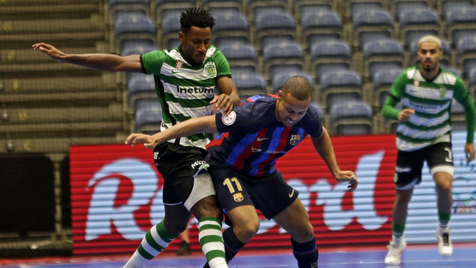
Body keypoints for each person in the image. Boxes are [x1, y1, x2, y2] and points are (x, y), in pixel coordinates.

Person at [33, 7, 241, 268]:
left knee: (175, 223)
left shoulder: (215, 59)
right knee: (209, 209)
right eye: (196, 42)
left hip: (204, 149)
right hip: (174, 149)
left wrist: (228, 98)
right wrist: (67, 57)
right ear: (181, 37)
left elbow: (233, 94)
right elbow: (117, 63)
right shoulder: (165, 60)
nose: (202, 47)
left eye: (206, 42)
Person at [125, 76, 359, 268]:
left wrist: (335, 169)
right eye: (289, 110)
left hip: (264, 174)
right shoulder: (251, 114)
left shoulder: (307, 115)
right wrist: (158, 137)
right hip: (227, 168)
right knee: (248, 226)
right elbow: (204, 124)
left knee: (304, 230)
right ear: (279, 96)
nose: (293, 118)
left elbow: (320, 134)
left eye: (300, 112)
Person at [381, 35, 476, 265]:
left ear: (440, 55)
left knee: (444, 185)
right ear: (418, 55)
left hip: (438, 140)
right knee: (403, 196)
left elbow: (470, 108)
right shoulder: (407, 78)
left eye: (432, 52)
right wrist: (397, 115)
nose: (428, 56)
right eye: (423, 52)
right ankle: (397, 242)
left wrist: (470, 140)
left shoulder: (451, 82)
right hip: (409, 143)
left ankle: (443, 230)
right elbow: (386, 108)